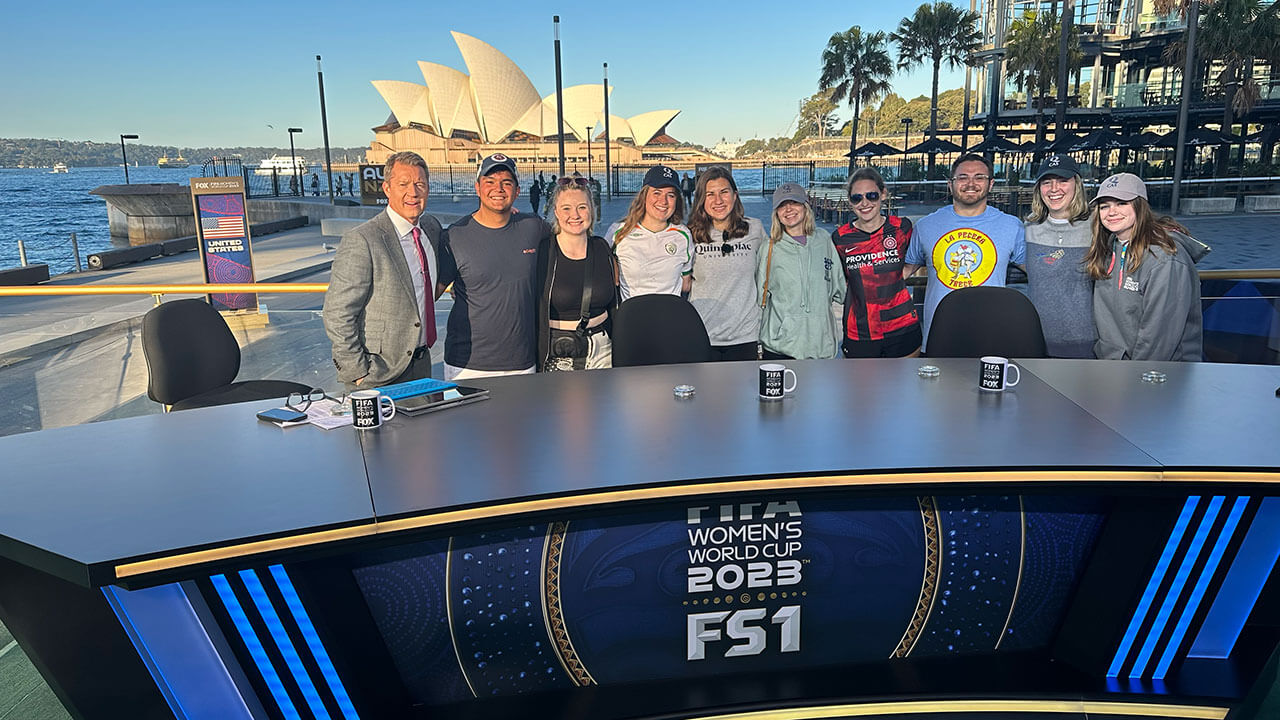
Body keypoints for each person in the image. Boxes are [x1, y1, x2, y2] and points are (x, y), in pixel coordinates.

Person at [323, 151, 441, 389]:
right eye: (403, 184)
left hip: (422, 364)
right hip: (378, 374)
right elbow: (338, 313)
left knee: (424, 427)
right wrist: (357, 372)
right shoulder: (364, 240)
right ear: (387, 188)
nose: (413, 192)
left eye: (420, 184)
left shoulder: (431, 228)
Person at [436, 153, 549, 380]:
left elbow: (570, 243)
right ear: (477, 188)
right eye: (490, 182)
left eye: (506, 183)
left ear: (517, 192)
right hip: (466, 365)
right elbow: (429, 294)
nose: (498, 189)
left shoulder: (534, 228)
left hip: (522, 362)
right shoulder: (455, 235)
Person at [904, 154, 1026, 352]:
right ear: (950, 184)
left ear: (991, 184)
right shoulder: (926, 226)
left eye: (979, 177)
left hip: (992, 336)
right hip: (940, 335)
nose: (971, 183)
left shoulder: (1012, 226)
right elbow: (904, 270)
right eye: (962, 177)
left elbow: (1038, 273)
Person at [1085, 172, 1208, 361]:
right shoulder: (1108, 248)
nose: (1112, 212)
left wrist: (1137, 379)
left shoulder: (1165, 259)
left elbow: (1159, 338)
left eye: (1121, 203)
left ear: (1140, 206)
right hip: (1115, 370)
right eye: (1104, 206)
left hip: (1158, 375)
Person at [831, 167, 922, 358]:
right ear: (850, 201)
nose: (864, 203)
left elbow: (920, 254)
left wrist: (903, 274)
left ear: (883, 194)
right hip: (861, 329)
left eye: (871, 195)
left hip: (902, 325)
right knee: (862, 389)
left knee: (905, 387)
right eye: (857, 198)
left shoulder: (901, 228)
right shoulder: (840, 238)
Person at [536, 177, 618, 371]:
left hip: (603, 349)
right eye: (566, 208)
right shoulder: (544, 251)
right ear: (555, 212)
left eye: (582, 207)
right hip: (561, 351)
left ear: (592, 210)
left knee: (604, 402)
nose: (575, 215)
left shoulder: (601, 247)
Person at [756, 182, 845, 360]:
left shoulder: (824, 240)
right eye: (782, 205)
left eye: (794, 203)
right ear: (776, 214)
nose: (788, 209)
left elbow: (840, 289)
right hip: (780, 346)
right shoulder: (769, 247)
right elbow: (760, 296)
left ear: (805, 207)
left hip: (820, 345)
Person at [687, 166, 766, 361]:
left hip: (745, 335)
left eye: (724, 192)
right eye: (710, 194)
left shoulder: (754, 229)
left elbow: (771, 272)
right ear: (701, 200)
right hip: (703, 335)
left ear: (735, 195)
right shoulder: (689, 234)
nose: (718, 200)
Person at [1024, 154, 1096, 358]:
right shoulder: (1028, 228)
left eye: (1063, 181)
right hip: (1036, 341)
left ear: (1077, 184)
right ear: (1039, 189)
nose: (1054, 189)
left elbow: (1137, 229)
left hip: (1087, 343)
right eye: (1047, 182)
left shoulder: (1098, 226)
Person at [606, 165, 693, 301]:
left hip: (670, 317)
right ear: (644, 196)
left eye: (670, 195)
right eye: (657, 193)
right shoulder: (619, 231)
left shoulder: (683, 235)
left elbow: (686, 285)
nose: (663, 201)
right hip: (631, 318)